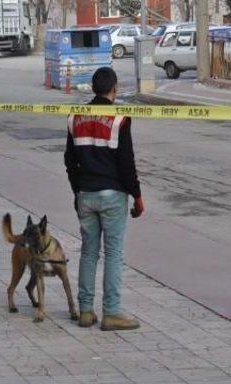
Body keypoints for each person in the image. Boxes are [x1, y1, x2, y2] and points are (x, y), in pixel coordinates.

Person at [64, 67, 144, 331]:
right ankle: (111, 312)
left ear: (93, 88)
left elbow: (69, 160)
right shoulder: (120, 119)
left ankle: (85, 311)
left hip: (86, 194)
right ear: (114, 89)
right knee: (113, 254)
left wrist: (78, 192)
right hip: (112, 196)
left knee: (88, 253)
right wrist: (137, 195)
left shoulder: (75, 116)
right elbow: (126, 163)